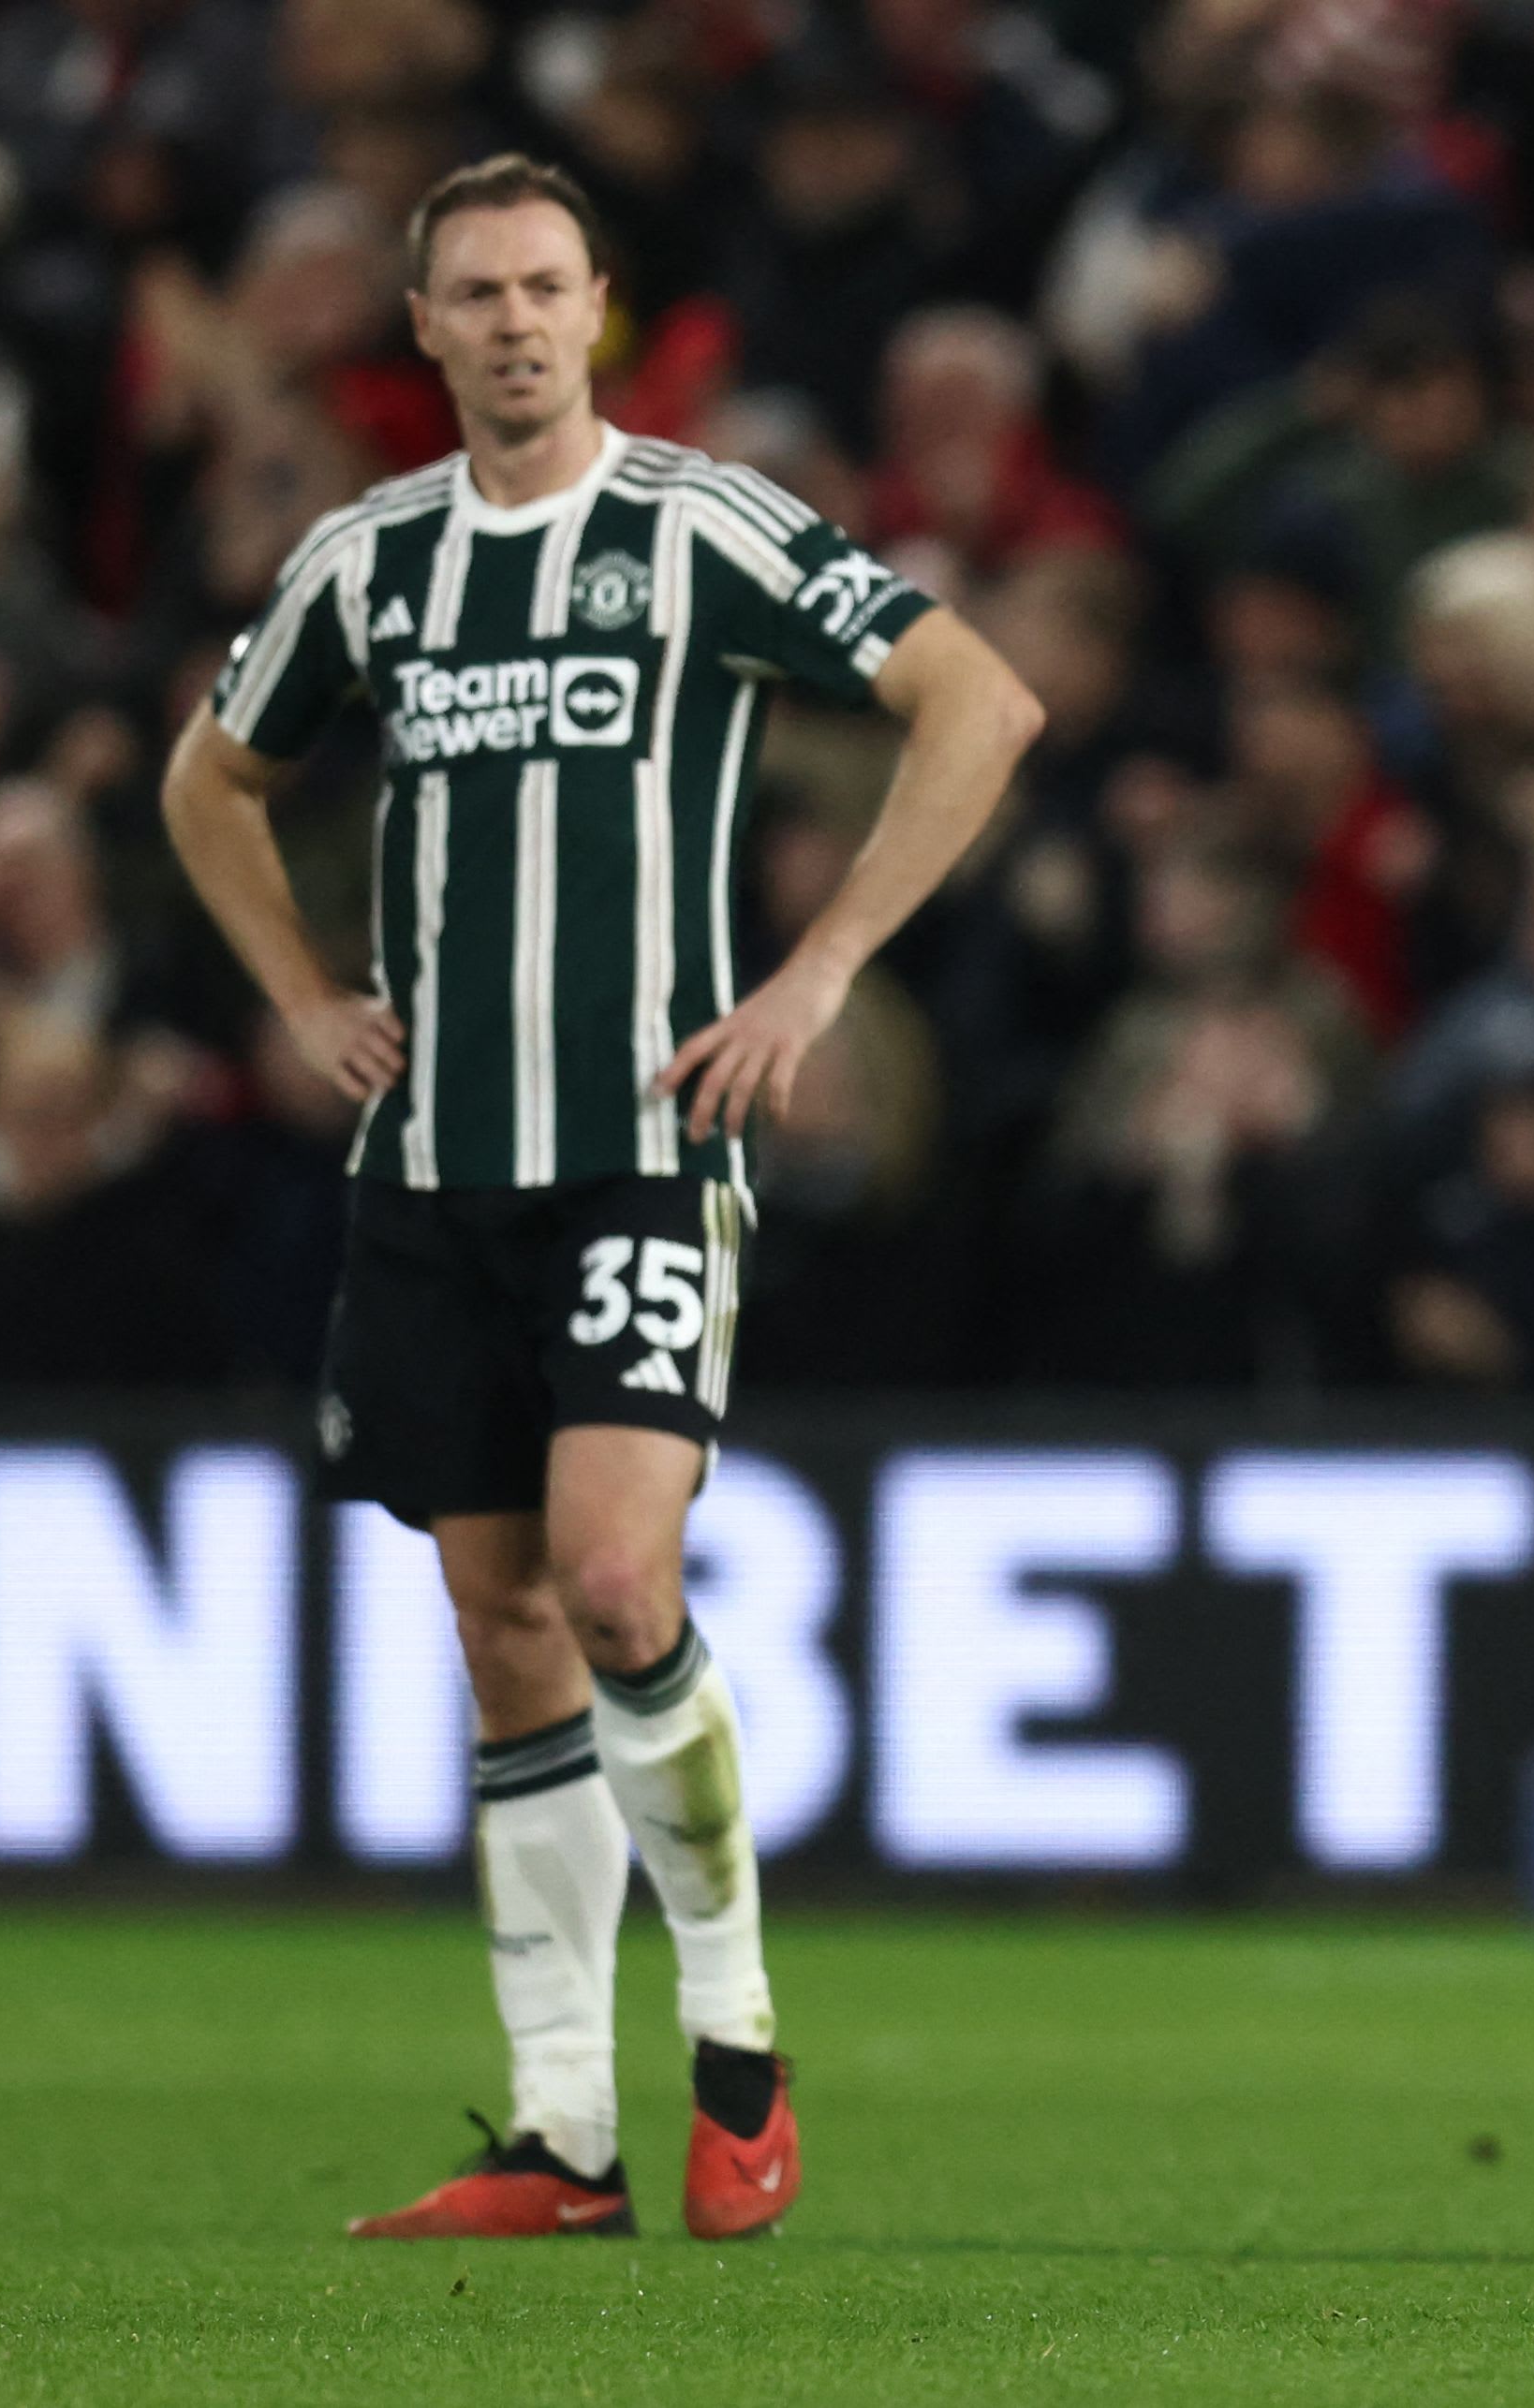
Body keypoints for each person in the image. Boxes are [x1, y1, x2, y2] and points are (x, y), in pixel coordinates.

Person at [156, 156, 1040, 2241]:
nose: (516, 322)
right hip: (429, 1170)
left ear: (598, 308)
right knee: (506, 1630)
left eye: (546, 287)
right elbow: (209, 779)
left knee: (621, 1579)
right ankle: (563, 2132)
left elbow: (979, 698)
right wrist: (301, 996)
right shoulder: (370, 562)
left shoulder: (699, 525)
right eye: (477, 293)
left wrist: (817, 973)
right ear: (425, 327)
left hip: (641, 1146)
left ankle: (736, 2045)